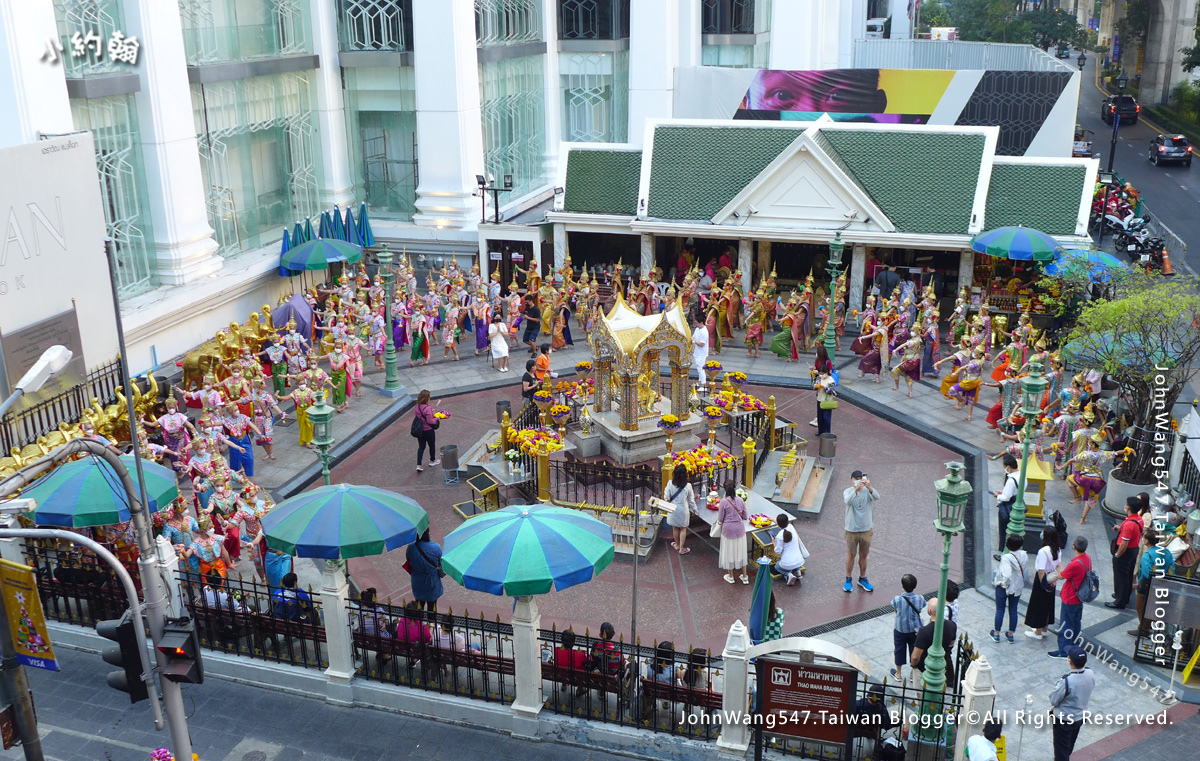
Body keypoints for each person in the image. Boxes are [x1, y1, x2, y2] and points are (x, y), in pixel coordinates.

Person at [1047, 536, 1091, 659]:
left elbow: (1061, 576)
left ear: (1074, 547)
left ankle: (1064, 650)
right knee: (1076, 623)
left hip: (1070, 597)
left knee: (1066, 625)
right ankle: (1075, 645)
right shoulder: (1088, 558)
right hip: (1079, 597)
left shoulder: (1074, 564)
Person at [1048, 647, 1095, 761]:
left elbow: (1054, 699)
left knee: (1061, 751)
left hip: (1064, 720)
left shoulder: (1067, 681)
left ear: (1069, 660)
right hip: (1079, 717)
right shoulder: (1090, 673)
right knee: (1068, 746)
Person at [1129, 529, 1174, 637]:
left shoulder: (1147, 555)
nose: (1143, 539)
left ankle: (1144, 629)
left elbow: (1146, 573)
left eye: (1144, 537)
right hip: (1164, 585)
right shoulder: (1166, 552)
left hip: (1149, 587)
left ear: (1147, 541)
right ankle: (1146, 628)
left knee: (1142, 607)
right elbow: (1172, 568)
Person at [843, 470, 879, 593]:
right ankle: (848, 578)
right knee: (851, 554)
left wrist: (869, 487)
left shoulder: (868, 491)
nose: (858, 480)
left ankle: (863, 578)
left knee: (864, 555)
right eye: (856, 478)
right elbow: (847, 501)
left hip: (866, 529)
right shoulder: (848, 491)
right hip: (851, 529)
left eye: (860, 478)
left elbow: (877, 497)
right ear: (852, 480)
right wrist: (855, 490)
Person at [1106, 496, 1144, 610]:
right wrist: (1120, 528)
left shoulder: (1129, 524)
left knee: (1120, 576)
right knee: (1127, 575)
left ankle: (1119, 601)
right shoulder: (1138, 519)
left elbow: (1124, 544)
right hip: (1133, 550)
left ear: (1128, 507)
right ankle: (1123, 595)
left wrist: (1118, 555)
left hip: (1125, 552)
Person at [1025, 526, 1061, 640]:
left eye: (1043, 532)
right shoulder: (1058, 549)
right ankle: (1044, 629)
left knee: (1038, 604)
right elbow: (1059, 566)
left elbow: (1041, 571)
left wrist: (1043, 584)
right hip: (1052, 578)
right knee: (1048, 604)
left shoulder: (1043, 551)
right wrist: (1054, 580)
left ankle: (1038, 632)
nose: (1041, 533)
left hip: (1044, 579)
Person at [911, 597, 956, 686]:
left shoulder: (924, 631)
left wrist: (913, 665)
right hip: (941, 666)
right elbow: (952, 643)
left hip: (923, 668)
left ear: (930, 611)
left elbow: (915, 656)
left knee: (921, 694)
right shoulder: (951, 625)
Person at [991, 534, 1027, 644]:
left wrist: (1004, 584)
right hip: (1017, 587)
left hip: (1004, 587)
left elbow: (1006, 575)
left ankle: (997, 633)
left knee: (1000, 609)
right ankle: (1010, 635)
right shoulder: (1024, 555)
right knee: (1013, 610)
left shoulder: (1006, 558)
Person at [890, 573, 923, 681]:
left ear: (902, 586)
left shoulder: (897, 599)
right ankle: (913, 673)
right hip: (915, 630)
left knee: (899, 649)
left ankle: (898, 673)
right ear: (915, 586)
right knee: (914, 650)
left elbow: (895, 610)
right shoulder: (920, 598)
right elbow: (921, 608)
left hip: (900, 629)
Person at [716, 480, 749, 584]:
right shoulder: (740, 500)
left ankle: (731, 577)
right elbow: (745, 516)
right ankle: (745, 577)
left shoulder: (723, 502)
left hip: (728, 530)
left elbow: (720, 519)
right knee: (742, 553)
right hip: (740, 529)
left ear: (724, 489)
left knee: (729, 553)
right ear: (735, 488)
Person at [406, 528, 444, 613]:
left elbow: (408, 560)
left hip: (418, 582)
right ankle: (430, 624)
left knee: (419, 607)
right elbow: (440, 562)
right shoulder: (436, 547)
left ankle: (419, 624)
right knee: (432, 608)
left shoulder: (411, 548)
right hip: (432, 582)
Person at [663, 466, 696, 555]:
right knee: (683, 528)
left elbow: (666, 497)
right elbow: (691, 500)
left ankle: (677, 544)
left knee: (675, 528)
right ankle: (682, 548)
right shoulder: (688, 486)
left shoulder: (670, 483)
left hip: (673, 509)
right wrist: (695, 509)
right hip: (683, 510)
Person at [992, 455, 1019, 561]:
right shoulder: (1021, 475)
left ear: (1008, 467)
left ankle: (1004, 550)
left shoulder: (1011, 480)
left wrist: (998, 496)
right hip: (1016, 502)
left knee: (1004, 530)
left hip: (1008, 506)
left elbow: (1006, 497)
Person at [772, 514, 809, 586]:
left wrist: (774, 543)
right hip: (799, 561)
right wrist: (773, 520)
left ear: (779, 524)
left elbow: (778, 551)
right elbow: (783, 525)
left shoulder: (779, 536)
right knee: (794, 562)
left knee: (777, 566)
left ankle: (788, 575)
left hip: (787, 563)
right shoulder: (791, 527)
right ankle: (797, 571)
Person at [412, 389, 440, 473]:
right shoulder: (427, 408)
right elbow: (430, 421)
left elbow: (420, 415)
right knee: (431, 445)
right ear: (427, 398)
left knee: (421, 447)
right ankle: (432, 460)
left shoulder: (417, 406)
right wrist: (437, 417)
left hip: (420, 430)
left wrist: (430, 413)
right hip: (428, 430)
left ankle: (419, 465)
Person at [814, 368, 836, 436]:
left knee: (826, 418)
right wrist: (816, 387)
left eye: (822, 373)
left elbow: (832, 391)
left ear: (826, 372)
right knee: (820, 417)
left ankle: (826, 432)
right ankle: (820, 431)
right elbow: (814, 386)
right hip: (819, 399)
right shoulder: (818, 379)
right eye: (820, 373)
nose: (821, 375)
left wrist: (825, 388)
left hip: (827, 401)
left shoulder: (831, 380)